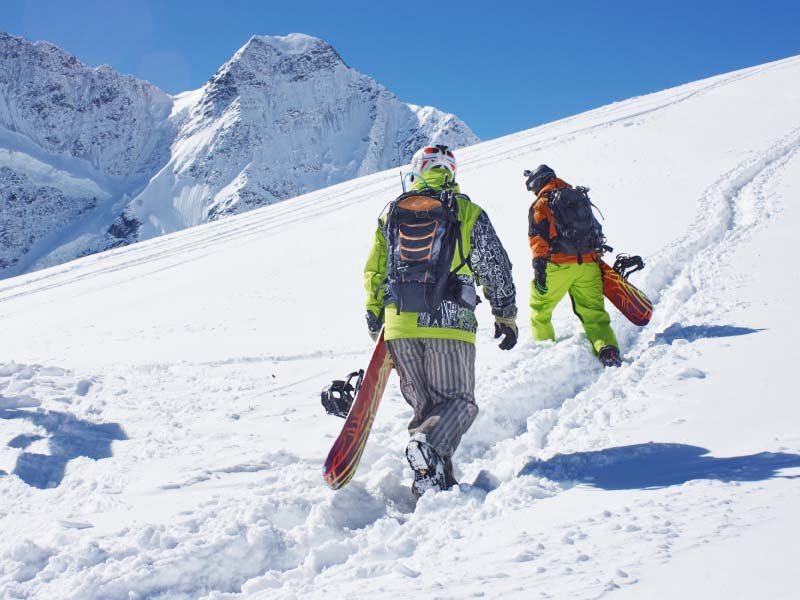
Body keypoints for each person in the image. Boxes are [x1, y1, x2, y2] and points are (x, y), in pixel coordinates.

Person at [364, 144, 517, 497]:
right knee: (458, 403)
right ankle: (427, 452)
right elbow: (495, 267)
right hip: (450, 323)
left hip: (400, 325)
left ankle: (433, 487)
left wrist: (375, 315)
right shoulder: (466, 211)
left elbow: (375, 270)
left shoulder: (391, 215)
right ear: (451, 172)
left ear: (417, 171)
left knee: (428, 412)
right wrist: (504, 313)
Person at [524, 164, 622, 367]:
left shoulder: (541, 204)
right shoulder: (578, 197)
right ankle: (607, 349)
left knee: (540, 309)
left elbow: (537, 238)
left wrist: (539, 267)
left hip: (558, 266)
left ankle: (545, 354)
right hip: (589, 264)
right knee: (594, 313)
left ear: (538, 183)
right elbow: (596, 228)